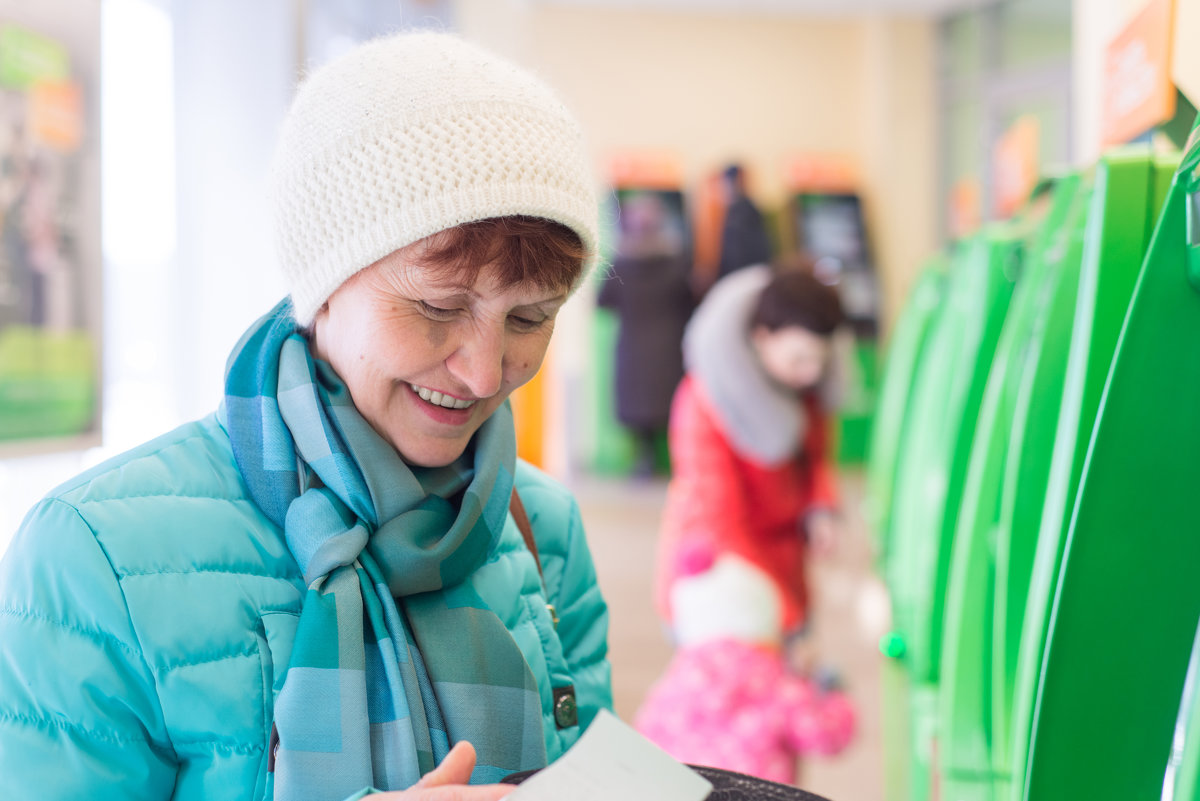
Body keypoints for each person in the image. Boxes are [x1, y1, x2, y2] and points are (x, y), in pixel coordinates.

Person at [0, 31, 612, 801]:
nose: (486, 371)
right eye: (437, 306)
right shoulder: (92, 559)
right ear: (321, 285)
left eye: (529, 319)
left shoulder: (541, 527)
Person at [654, 263, 844, 641]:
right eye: (799, 358)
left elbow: (815, 459)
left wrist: (820, 508)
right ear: (760, 337)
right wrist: (782, 615)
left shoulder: (802, 391)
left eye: (820, 361)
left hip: (784, 571)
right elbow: (719, 520)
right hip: (721, 587)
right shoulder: (705, 402)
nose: (810, 373)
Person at [635, 551, 856, 785]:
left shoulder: (671, 689)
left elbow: (643, 747)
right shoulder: (777, 683)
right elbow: (825, 735)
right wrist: (834, 695)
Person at [596, 191, 695, 477]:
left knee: (637, 401)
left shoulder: (621, 262)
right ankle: (673, 462)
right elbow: (689, 300)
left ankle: (644, 463)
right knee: (669, 403)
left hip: (633, 345)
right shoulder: (678, 261)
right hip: (668, 343)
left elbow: (604, 302)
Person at [716, 164, 772, 281]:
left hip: (744, 276)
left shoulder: (742, 210)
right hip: (749, 275)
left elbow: (739, 252)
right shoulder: (737, 209)